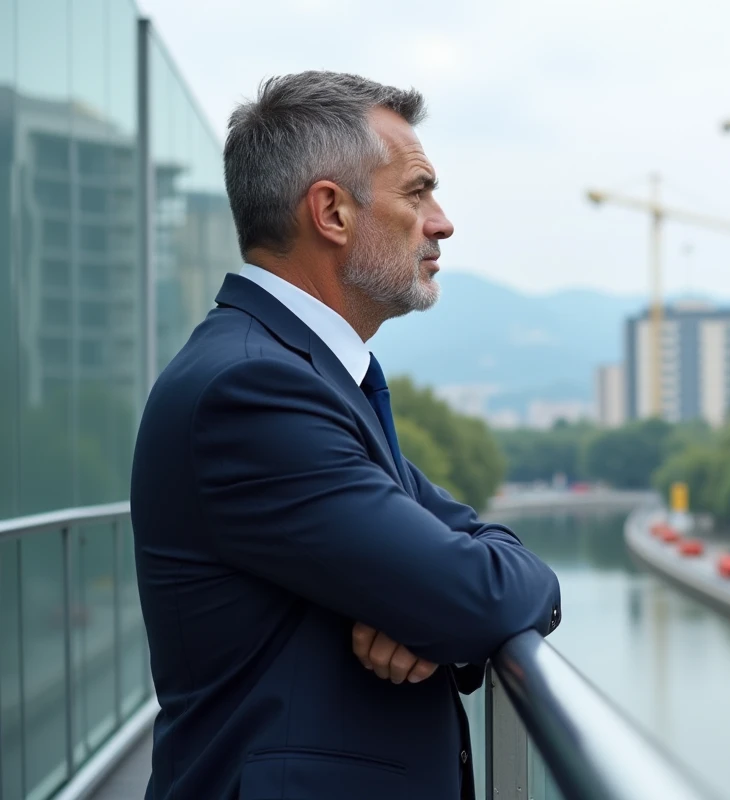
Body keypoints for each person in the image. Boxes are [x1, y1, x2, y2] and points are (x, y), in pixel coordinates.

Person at [130, 71, 562, 800]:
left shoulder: (303, 375)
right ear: (331, 211)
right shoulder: (255, 391)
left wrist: (425, 611)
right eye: (418, 193)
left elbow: (473, 559)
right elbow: (475, 593)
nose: (442, 223)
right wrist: (439, 606)